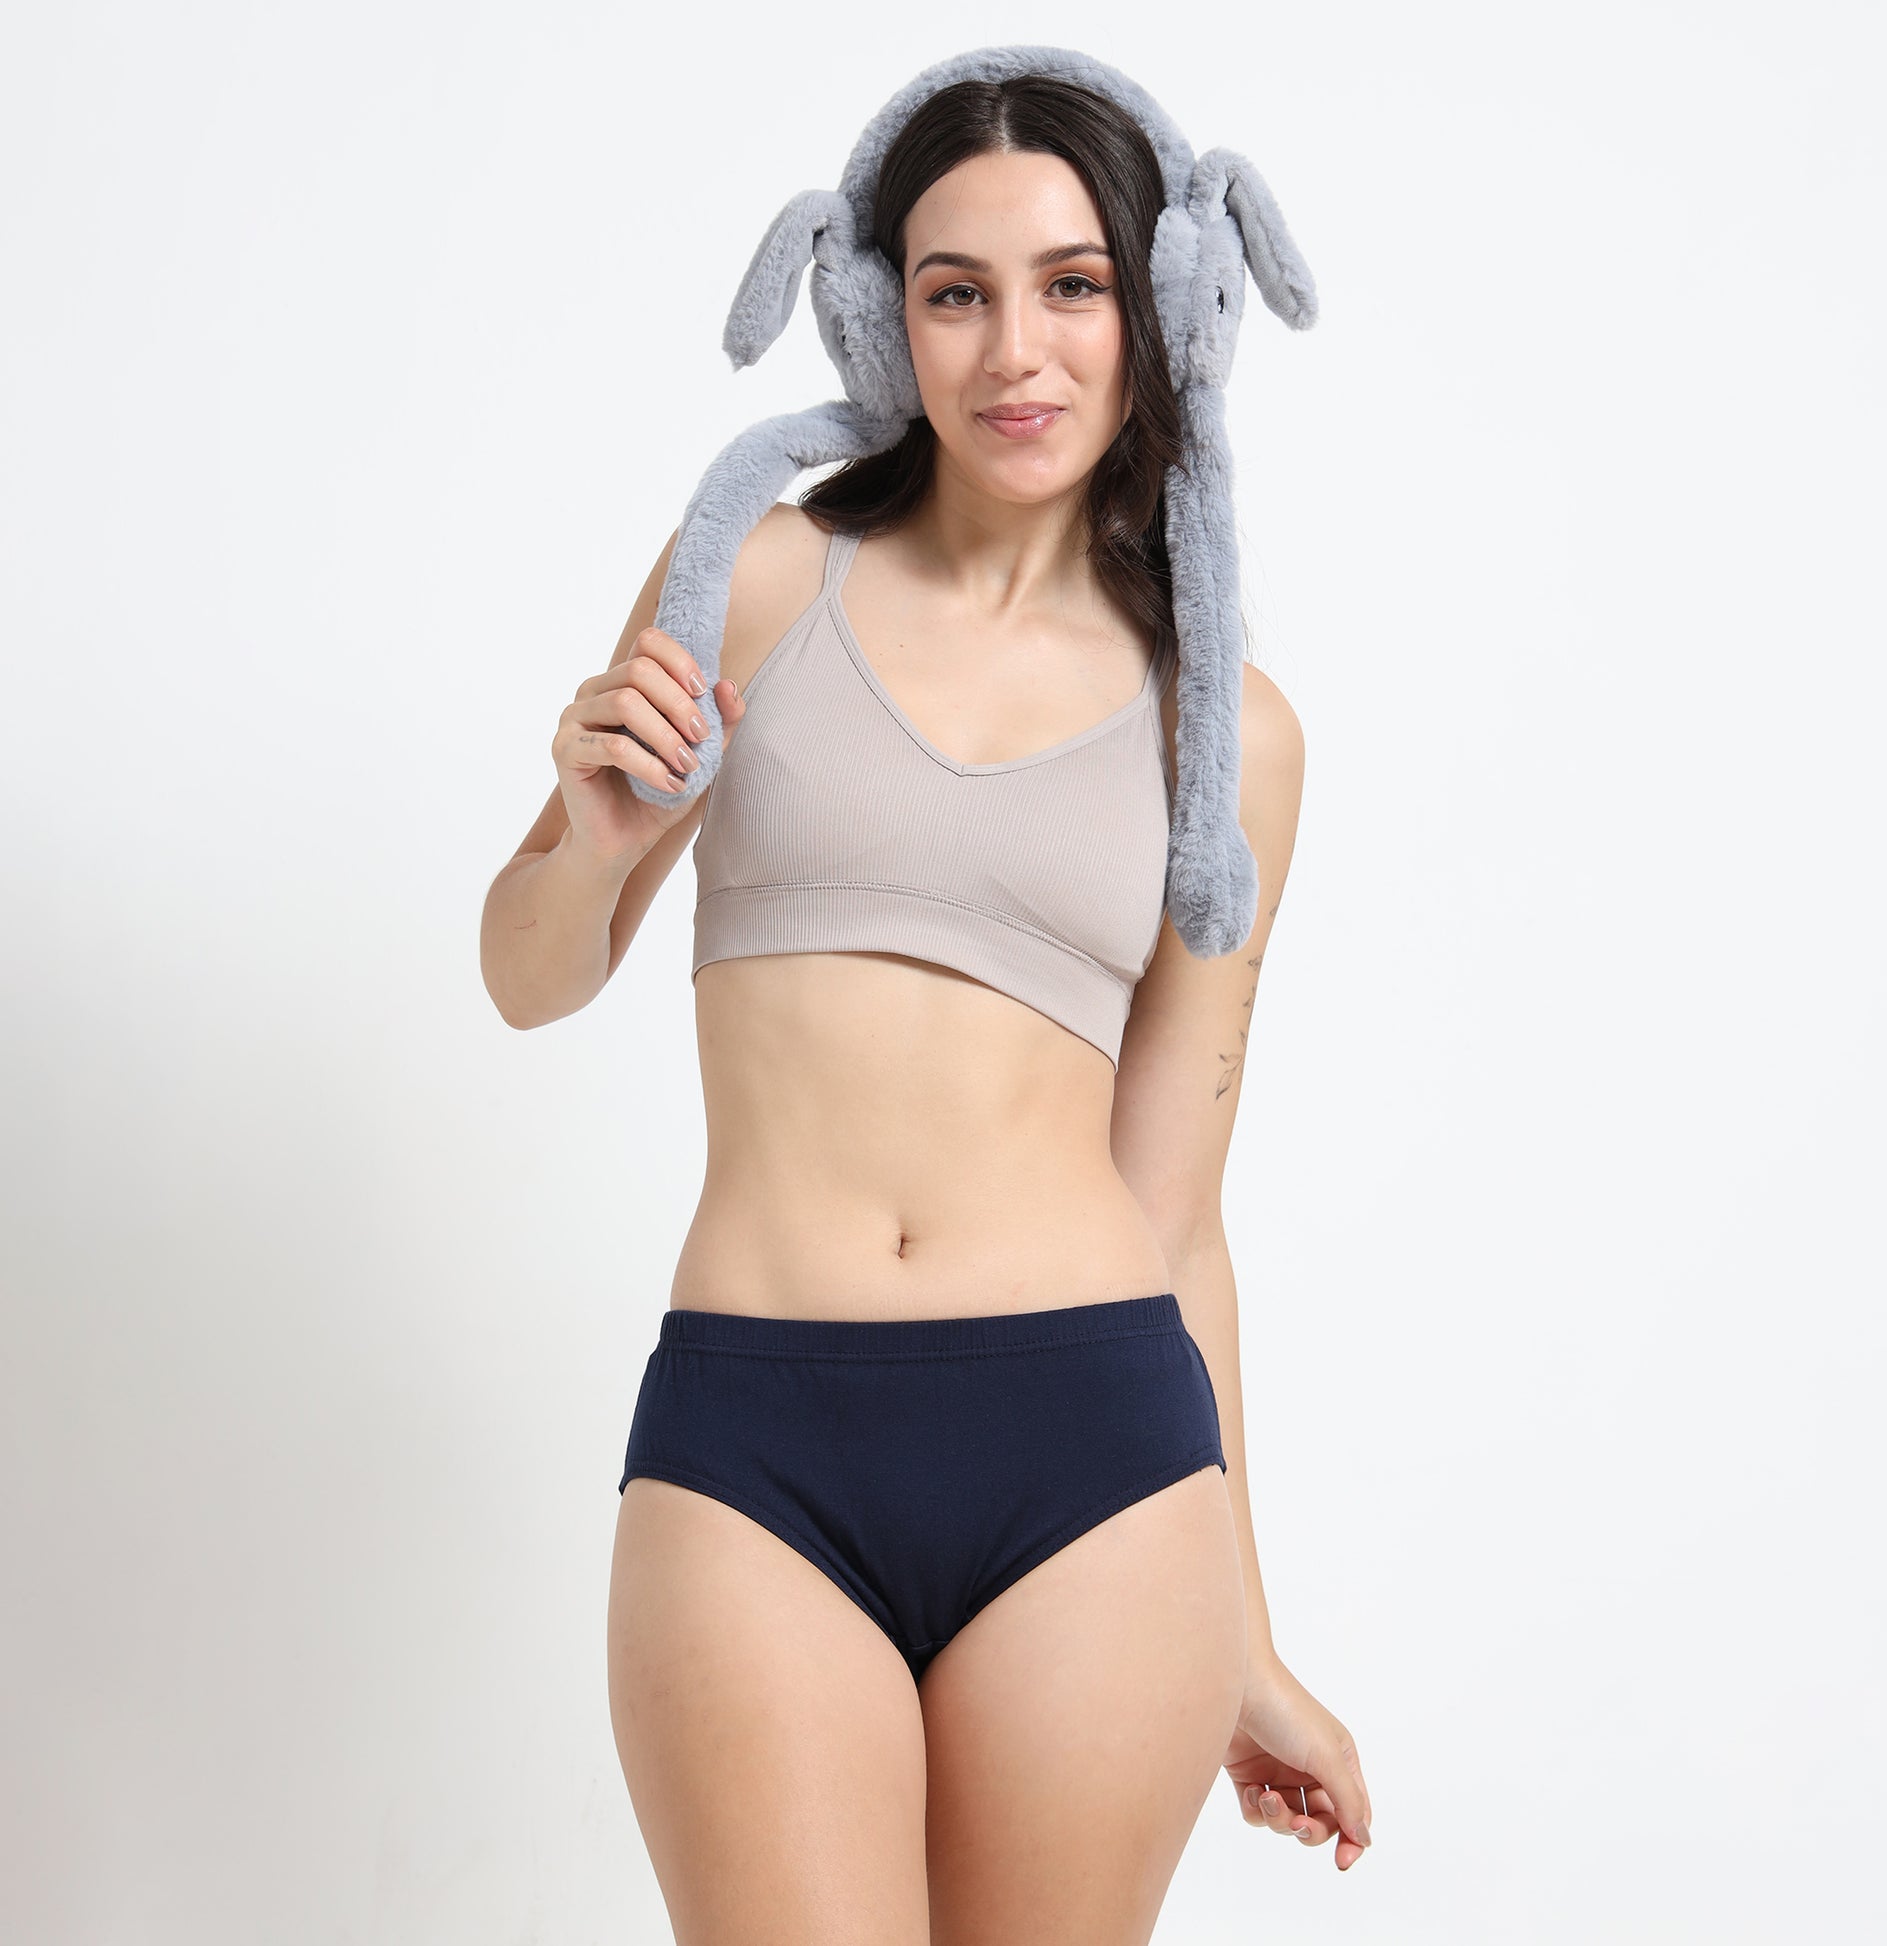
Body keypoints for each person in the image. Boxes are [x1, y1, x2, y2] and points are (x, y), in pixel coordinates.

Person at [481, 68, 1372, 1946]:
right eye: (956, 291)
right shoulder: (756, 577)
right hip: (754, 1437)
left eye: (1073, 286)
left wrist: (1249, 1639)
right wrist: (587, 837)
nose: (1014, 350)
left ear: (1166, 306)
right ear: (881, 315)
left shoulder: (1231, 733)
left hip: (1098, 1461)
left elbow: (1176, 1214)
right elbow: (526, 974)